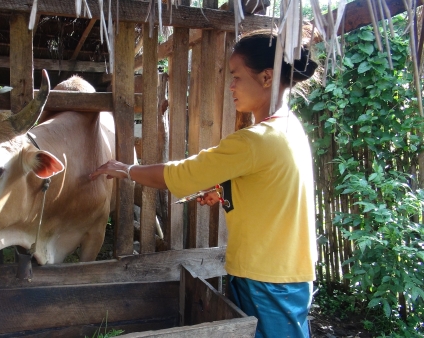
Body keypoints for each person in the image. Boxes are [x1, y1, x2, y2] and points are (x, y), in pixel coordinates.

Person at [90, 29, 319, 338]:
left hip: (267, 278)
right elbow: (275, 188)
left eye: (237, 76)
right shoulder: (291, 128)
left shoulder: (255, 140)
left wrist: (126, 168)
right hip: (285, 271)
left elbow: (181, 175)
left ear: (266, 77)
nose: (231, 85)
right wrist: (225, 190)